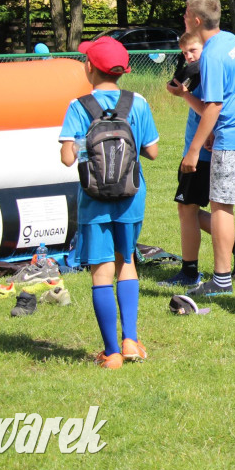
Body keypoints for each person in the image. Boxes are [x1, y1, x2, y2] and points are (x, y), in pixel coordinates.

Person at [59, 36, 159, 369]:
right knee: (126, 260)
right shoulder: (138, 103)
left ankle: (111, 352)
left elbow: (65, 158)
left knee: (101, 272)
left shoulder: (78, 106)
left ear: (89, 67)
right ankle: (131, 340)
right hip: (131, 195)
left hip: (93, 199)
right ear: (122, 71)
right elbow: (153, 151)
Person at [176, 0, 235, 297]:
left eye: (186, 15)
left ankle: (221, 280)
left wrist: (193, 150)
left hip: (234, 136)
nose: (184, 19)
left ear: (196, 20)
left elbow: (213, 105)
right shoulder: (231, 40)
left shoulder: (212, 54)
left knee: (221, 206)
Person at [161, 30, 235, 289]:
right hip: (208, 146)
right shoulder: (202, 69)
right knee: (195, 207)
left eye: (193, 50)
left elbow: (210, 109)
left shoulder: (210, 67)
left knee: (190, 208)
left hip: (204, 151)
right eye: (184, 53)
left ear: (208, 47)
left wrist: (183, 95)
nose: (188, 56)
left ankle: (192, 271)